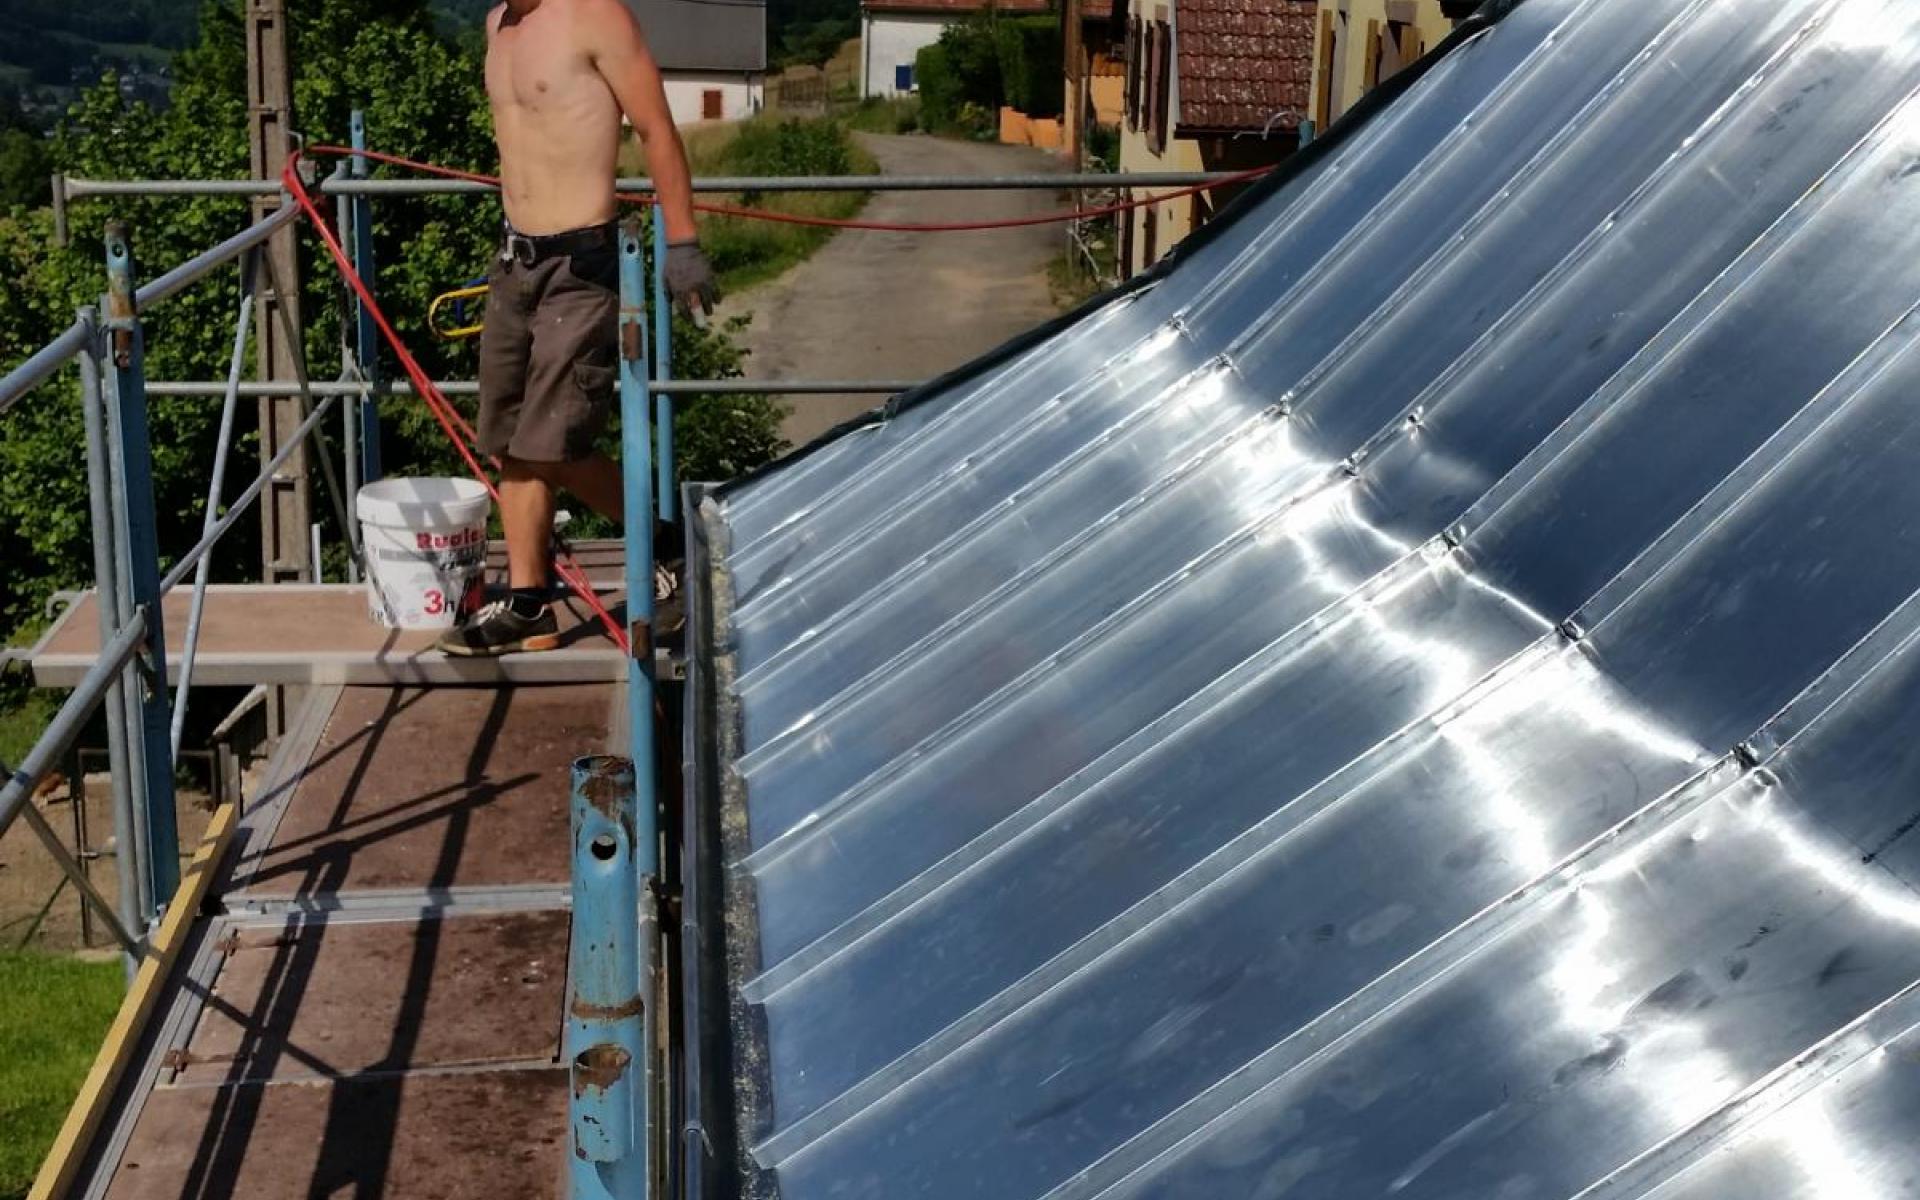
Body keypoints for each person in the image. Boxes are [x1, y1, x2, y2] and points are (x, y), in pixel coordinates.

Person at [438, 0, 717, 657]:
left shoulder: (596, 14)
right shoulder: (496, 25)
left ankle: (671, 545)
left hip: (581, 264)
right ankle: (529, 607)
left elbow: (654, 128)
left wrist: (682, 242)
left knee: (555, 441)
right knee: (508, 438)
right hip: (514, 260)